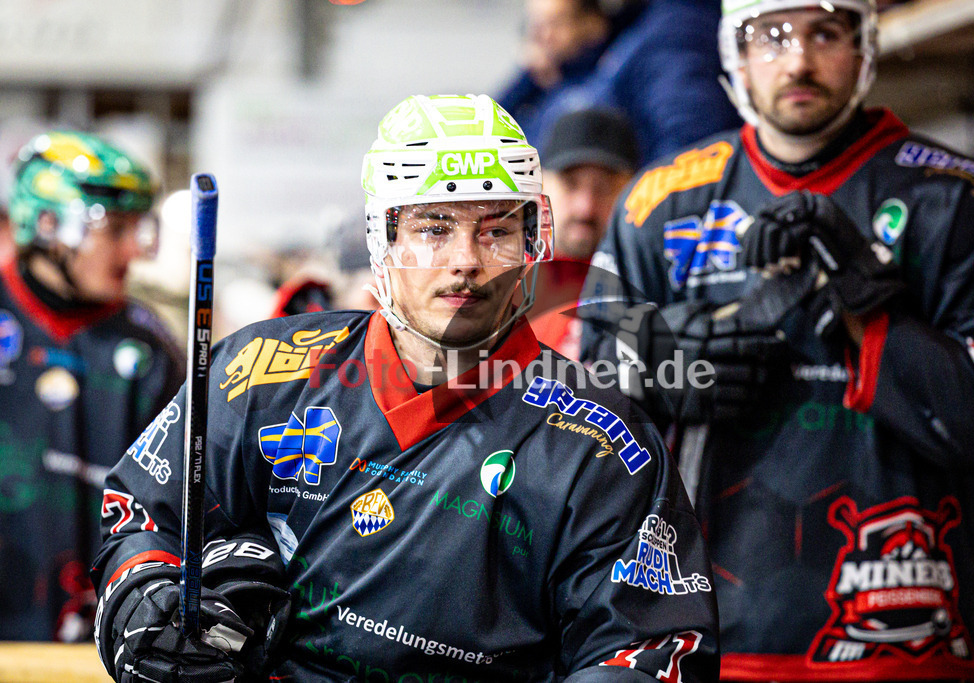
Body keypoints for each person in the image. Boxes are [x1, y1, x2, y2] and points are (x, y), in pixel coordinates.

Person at [90, 94, 720, 682]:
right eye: (434, 228)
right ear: (382, 239)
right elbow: (144, 513)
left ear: (532, 241)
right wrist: (148, 597)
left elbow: (651, 647)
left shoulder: (602, 442)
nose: (466, 260)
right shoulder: (260, 368)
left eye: (496, 230)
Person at [578, 0, 974, 679]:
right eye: (771, 36)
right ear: (734, 52)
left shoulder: (958, 195)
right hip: (702, 641)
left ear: (864, 46)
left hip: (899, 638)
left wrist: (858, 310)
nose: (799, 60)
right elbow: (580, 393)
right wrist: (655, 363)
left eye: (825, 33)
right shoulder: (658, 199)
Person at [0, 130, 184, 642]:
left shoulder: (149, 350)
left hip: (94, 641)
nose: (134, 250)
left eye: (139, 228)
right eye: (115, 229)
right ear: (48, 222)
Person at [499, 0, 742, 166]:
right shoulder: (561, 73)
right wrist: (529, 76)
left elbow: (691, 151)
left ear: (591, 22)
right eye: (537, 28)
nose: (543, 38)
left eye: (554, 25)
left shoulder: (670, 32)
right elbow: (491, 123)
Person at [530, 107, 640, 357]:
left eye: (605, 188)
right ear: (540, 185)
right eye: (571, 184)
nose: (585, 208)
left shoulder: (651, 280)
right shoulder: (500, 275)